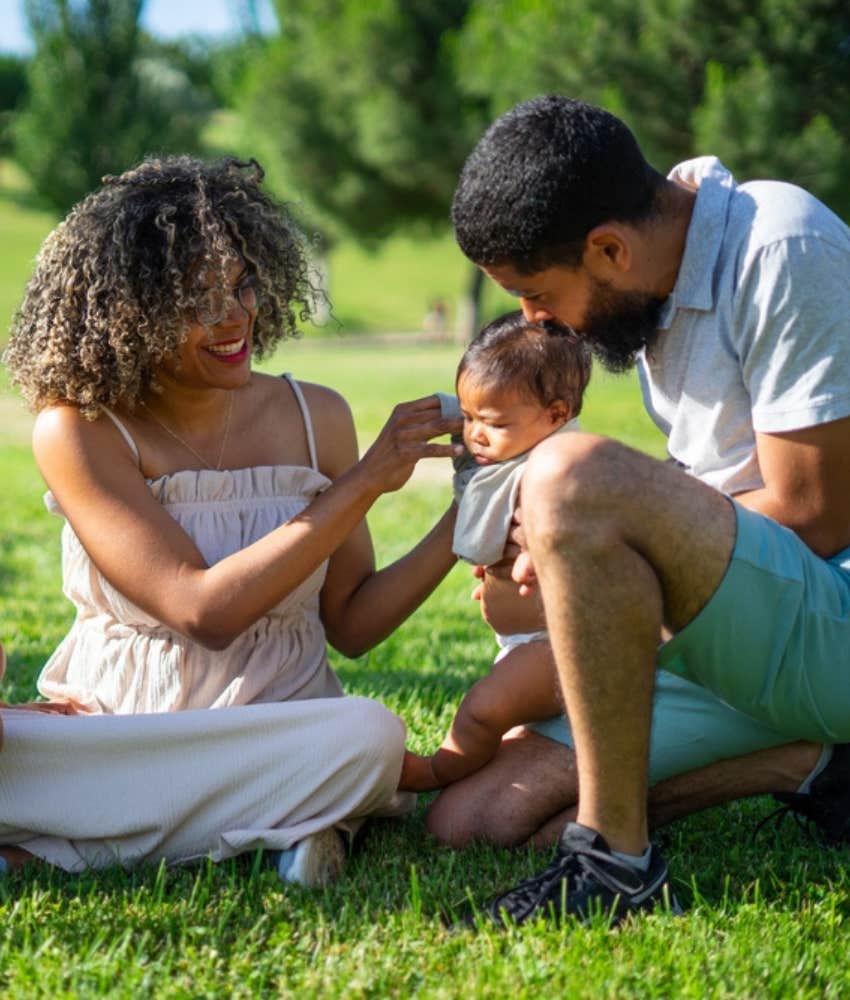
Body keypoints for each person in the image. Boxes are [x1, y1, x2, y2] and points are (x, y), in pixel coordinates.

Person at [1, 154, 462, 883]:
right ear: (129, 309)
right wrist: (366, 483)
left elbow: (353, 622)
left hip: (279, 721)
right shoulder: (80, 430)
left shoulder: (319, 416)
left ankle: (65, 847)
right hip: (120, 733)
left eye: (242, 284)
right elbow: (201, 610)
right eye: (195, 298)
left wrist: (467, 517)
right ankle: (290, 828)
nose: (234, 316)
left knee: (370, 734)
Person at [448, 95, 850, 925]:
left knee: (567, 472)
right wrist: (578, 579)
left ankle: (612, 861)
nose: (533, 322)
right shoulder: (657, 278)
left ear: (608, 248)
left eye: (537, 294)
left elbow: (816, 513)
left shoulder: (782, 247)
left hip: (827, 607)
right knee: (476, 822)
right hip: (740, 614)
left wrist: (608, 559)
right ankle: (812, 764)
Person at [399, 310, 589, 791]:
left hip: (562, 646)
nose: (474, 434)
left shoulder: (558, 470)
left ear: (556, 416)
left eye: (493, 422)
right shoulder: (509, 455)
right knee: (512, 724)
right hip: (521, 644)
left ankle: (438, 769)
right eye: (467, 417)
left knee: (484, 710)